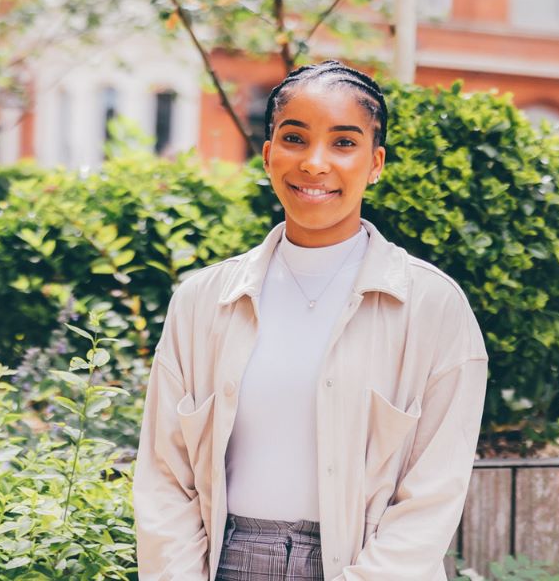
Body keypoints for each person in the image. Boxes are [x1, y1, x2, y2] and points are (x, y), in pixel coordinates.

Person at [133, 60, 488, 581]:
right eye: (295, 138)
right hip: (226, 564)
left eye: (344, 143)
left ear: (376, 162)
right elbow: (166, 475)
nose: (315, 163)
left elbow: (433, 493)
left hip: (368, 566)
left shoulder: (432, 306)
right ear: (269, 154)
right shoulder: (203, 301)